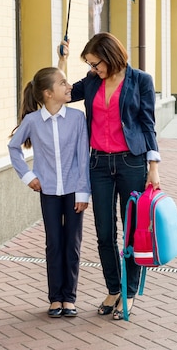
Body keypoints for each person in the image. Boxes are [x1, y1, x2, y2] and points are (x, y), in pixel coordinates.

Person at [57, 32, 160, 321]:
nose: (93, 69)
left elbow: (148, 124)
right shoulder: (91, 82)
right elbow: (63, 93)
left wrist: (153, 166)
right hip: (99, 164)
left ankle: (129, 292)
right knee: (104, 233)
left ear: (110, 56)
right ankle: (114, 288)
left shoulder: (140, 80)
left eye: (95, 63)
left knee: (131, 232)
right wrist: (62, 60)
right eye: (89, 64)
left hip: (132, 162)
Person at [8, 67, 90, 319]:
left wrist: (83, 192)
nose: (69, 87)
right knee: (54, 243)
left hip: (74, 192)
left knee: (72, 245)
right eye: (63, 83)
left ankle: (70, 298)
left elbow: (82, 158)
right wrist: (28, 176)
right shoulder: (33, 121)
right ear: (48, 93)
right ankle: (55, 298)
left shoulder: (77, 118)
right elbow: (13, 147)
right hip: (49, 193)